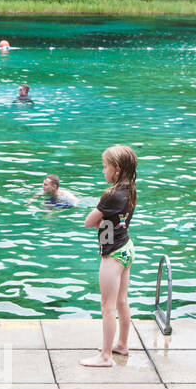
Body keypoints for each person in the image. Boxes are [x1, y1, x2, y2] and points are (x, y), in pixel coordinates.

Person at [80, 145, 138, 368]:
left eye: (105, 166)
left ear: (117, 169)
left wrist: (99, 223)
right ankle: (122, 344)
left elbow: (88, 222)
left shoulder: (111, 195)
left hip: (113, 254)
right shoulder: (129, 189)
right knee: (122, 300)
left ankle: (105, 356)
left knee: (108, 306)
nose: (103, 171)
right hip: (126, 246)